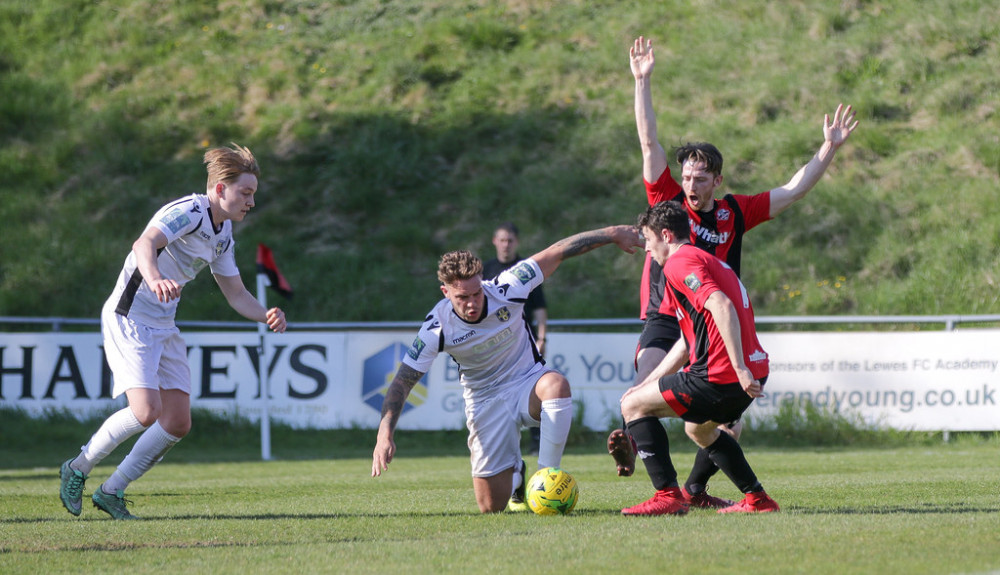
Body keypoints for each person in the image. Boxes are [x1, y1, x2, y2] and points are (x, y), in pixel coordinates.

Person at [608, 36, 859, 507]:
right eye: (687, 176)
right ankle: (642, 451)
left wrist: (828, 149)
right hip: (667, 319)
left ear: (717, 180)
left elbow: (792, 190)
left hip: (713, 323)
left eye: (701, 177)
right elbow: (648, 142)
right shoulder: (666, 207)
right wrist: (641, 82)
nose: (691, 184)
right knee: (643, 391)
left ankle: (695, 489)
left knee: (724, 421)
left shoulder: (733, 213)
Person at [58, 144, 287, 520]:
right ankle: (78, 467)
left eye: (253, 194)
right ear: (219, 190)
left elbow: (235, 293)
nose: (251, 202)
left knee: (177, 421)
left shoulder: (223, 232)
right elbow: (144, 243)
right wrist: (155, 277)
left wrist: (266, 315)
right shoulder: (190, 211)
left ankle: (111, 491)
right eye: (245, 193)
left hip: (163, 324)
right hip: (129, 316)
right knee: (146, 411)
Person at [371, 225, 642, 513]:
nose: (472, 303)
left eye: (476, 293)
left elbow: (557, 251)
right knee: (490, 507)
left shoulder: (508, 287)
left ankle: (545, 480)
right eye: (462, 298)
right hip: (484, 400)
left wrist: (612, 234)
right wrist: (384, 433)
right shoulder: (436, 328)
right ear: (445, 292)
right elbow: (402, 382)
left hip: (527, 382)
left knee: (557, 385)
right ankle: (518, 477)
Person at [620, 200, 778, 516]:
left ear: (665, 235)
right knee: (699, 430)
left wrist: (739, 368)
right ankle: (757, 499)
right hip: (754, 371)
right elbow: (684, 343)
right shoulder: (704, 260)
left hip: (724, 375)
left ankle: (668, 496)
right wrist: (648, 383)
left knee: (631, 406)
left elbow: (721, 305)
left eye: (648, 241)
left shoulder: (680, 264)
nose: (647, 251)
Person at [482, 221, 548, 455]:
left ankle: (537, 440)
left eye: (510, 240)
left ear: (516, 242)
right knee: (496, 390)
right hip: (495, 343)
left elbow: (539, 308)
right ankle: (499, 441)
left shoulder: (525, 270)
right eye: (502, 240)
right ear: (494, 241)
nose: (506, 245)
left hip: (524, 340)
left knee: (530, 388)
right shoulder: (486, 270)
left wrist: (542, 338)